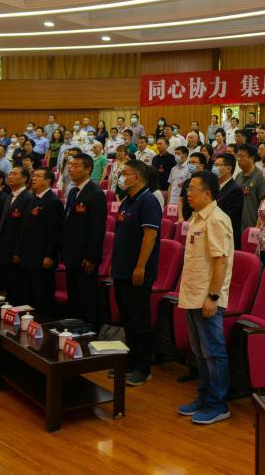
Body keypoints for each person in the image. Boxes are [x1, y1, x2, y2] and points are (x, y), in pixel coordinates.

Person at [174, 170, 235, 425]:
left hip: (207, 297)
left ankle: (218, 404)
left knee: (213, 352)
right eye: (188, 189)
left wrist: (213, 296)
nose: (188, 194)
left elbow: (221, 262)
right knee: (200, 352)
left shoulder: (217, 219)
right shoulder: (197, 217)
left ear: (207, 193)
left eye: (193, 190)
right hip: (192, 293)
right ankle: (204, 397)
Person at [112, 160, 162, 386]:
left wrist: (140, 266)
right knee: (126, 318)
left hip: (138, 271)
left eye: (125, 173)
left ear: (138, 177)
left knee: (139, 319)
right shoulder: (127, 201)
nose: (122, 177)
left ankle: (143, 367)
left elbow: (150, 236)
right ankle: (130, 362)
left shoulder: (148, 201)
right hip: (121, 270)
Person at [9, 168, 62, 316]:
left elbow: (56, 232)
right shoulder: (33, 199)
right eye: (33, 176)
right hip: (28, 255)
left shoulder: (53, 201)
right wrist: (18, 251)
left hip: (42, 257)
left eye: (38, 176)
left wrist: (50, 255)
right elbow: (24, 229)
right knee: (28, 294)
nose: (33, 178)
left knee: (42, 294)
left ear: (48, 181)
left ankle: (44, 323)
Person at [62, 155, 107, 328]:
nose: (70, 168)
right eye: (70, 165)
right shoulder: (73, 191)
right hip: (71, 253)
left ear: (88, 169)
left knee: (87, 297)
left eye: (76, 165)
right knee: (73, 296)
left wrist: (91, 257)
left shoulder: (95, 193)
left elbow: (97, 229)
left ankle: (89, 331)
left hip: (85, 257)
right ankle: (73, 329)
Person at [0, 166, 31, 297]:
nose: (10, 176)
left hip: (16, 249)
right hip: (5, 246)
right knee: (7, 284)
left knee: (17, 285)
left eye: (15, 174)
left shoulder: (28, 198)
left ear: (24, 178)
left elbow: (24, 228)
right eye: (10, 173)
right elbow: (3, 222)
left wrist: (18, 251)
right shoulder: (10, 196)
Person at [235, 144, 265, 233]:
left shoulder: (261, 176)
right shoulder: (238, 176)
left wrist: (258, 225)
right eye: (238, 156)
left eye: (242, 156)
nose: (239, 159)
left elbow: (263, 203)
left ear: (252, 158)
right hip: (238, 225)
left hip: (253, 226)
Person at [213, 153, 243, 250]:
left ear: (228, 169)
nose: (214, 168)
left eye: (217, 165)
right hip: (214, 233)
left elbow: (227, 216)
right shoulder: (213, 187)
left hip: (226, 237)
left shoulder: (235, 190)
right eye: (214, 165)